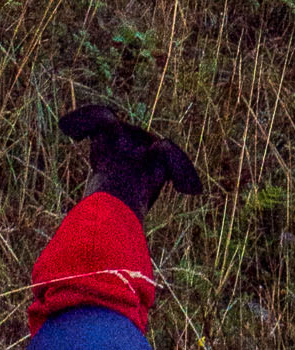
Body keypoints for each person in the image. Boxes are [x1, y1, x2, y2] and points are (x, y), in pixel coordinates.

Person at [27, 106, 202, 349]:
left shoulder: (62, 246)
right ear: (154, 182)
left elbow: (39, 303)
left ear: (97, 154)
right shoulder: (136, 266)